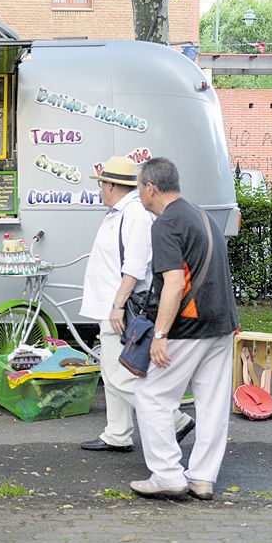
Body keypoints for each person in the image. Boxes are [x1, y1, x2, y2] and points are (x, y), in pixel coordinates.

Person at [129, 157, 239, 501]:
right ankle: (203, 478)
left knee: (151, 396)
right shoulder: (200, 215)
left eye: (138, 188)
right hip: (223, 323)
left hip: (189, 326)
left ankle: (167, 474)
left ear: (150, 188)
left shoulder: (165, 224)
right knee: (212, 404)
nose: (139, 196)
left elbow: (174, 284)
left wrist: (160, 335)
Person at [78, 157, 194, 453]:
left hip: (121, 307)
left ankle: (174, 419)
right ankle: (117, 433)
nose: (100, 189)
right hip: (110, 304)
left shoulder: (134, 215)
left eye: (102, 183)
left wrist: (117, 305)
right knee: (112, 370)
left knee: (120, 375)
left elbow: (135, 265)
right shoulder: (120, 212)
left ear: (113, 185)